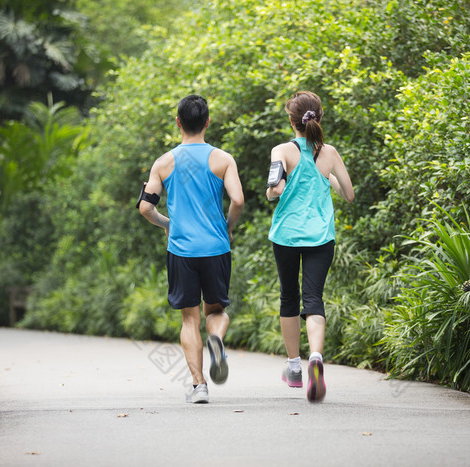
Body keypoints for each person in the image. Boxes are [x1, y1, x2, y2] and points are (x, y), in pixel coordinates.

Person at [139, 95, 244, 404]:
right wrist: (227, 227)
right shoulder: (223, 159)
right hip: (215, 247)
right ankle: (216, 340)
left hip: (181, 250)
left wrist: (167, 224)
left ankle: (199, 385)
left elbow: (145, 207)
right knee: (216, 310)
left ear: (178, 123)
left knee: (189, 319)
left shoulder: (163, 162)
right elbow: (237, 200)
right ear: (207, 122)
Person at [266, 91, 354, 402]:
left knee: (289, 297)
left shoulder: (281, 150)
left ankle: (294, 368)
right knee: (313, 297)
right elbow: (349, 195)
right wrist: (326, 178)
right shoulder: (330, 153)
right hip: (321, 237)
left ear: (292, 121)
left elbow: (274, 190)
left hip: (287, 236)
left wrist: (279, 188)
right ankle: (316, 356)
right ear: (318, 119)